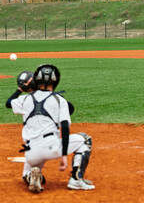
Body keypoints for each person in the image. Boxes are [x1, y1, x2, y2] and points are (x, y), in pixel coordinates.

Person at [6, 64, 95, 193]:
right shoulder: (59, 100)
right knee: (85, 139)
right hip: (52, 147)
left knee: (27, 171)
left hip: (31, 151)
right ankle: (76, 179)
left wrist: (21, 88)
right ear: (56, 80)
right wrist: (64, 155)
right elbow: (65, 127)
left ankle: (32, 176)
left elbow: (9, 103)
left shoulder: (25, 98)